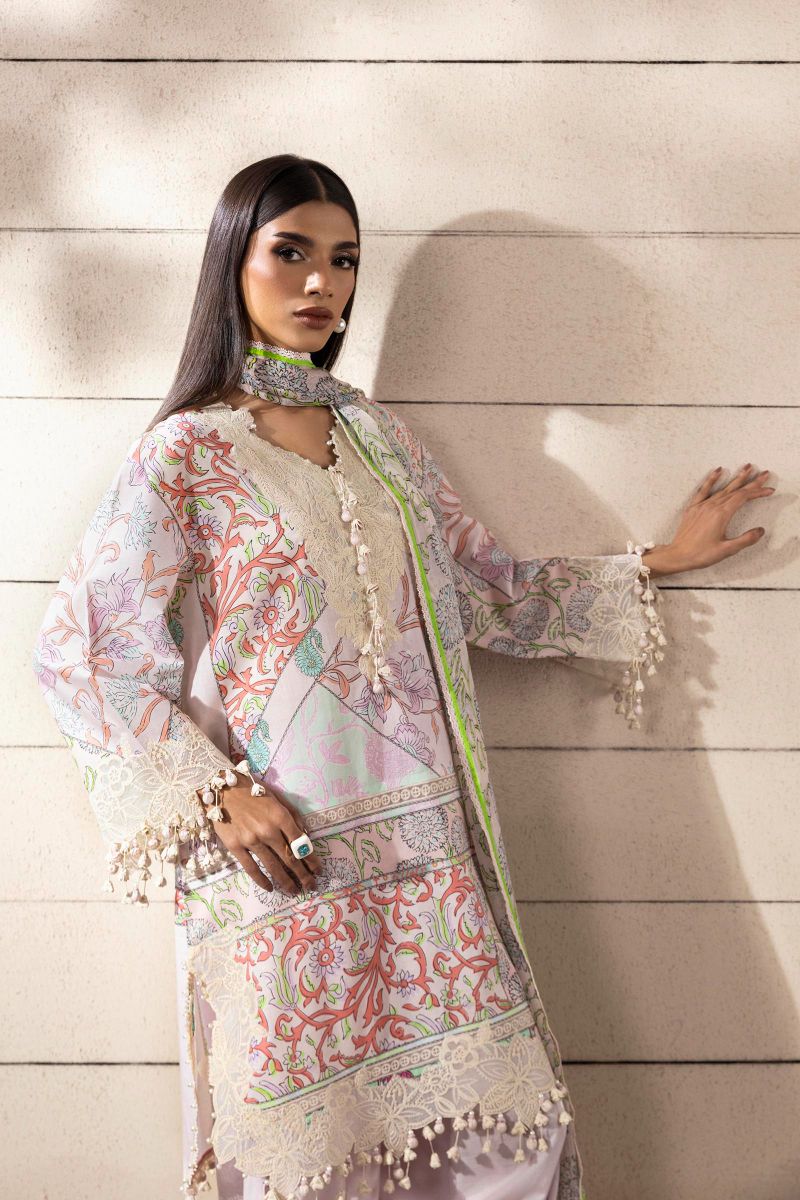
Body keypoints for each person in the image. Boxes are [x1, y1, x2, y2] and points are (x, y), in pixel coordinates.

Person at [31, 154, 776, 1200]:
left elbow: (482, 593)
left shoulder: (379, 439)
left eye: (342, 260)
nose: (319, 283)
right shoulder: (186, 456)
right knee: (309, 1159)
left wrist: (656, 560)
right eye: (290, 252)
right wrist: (217, 791)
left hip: (427, 852)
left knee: (498, 1147)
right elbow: (83, 650)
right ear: (230, 263)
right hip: (285, 861)